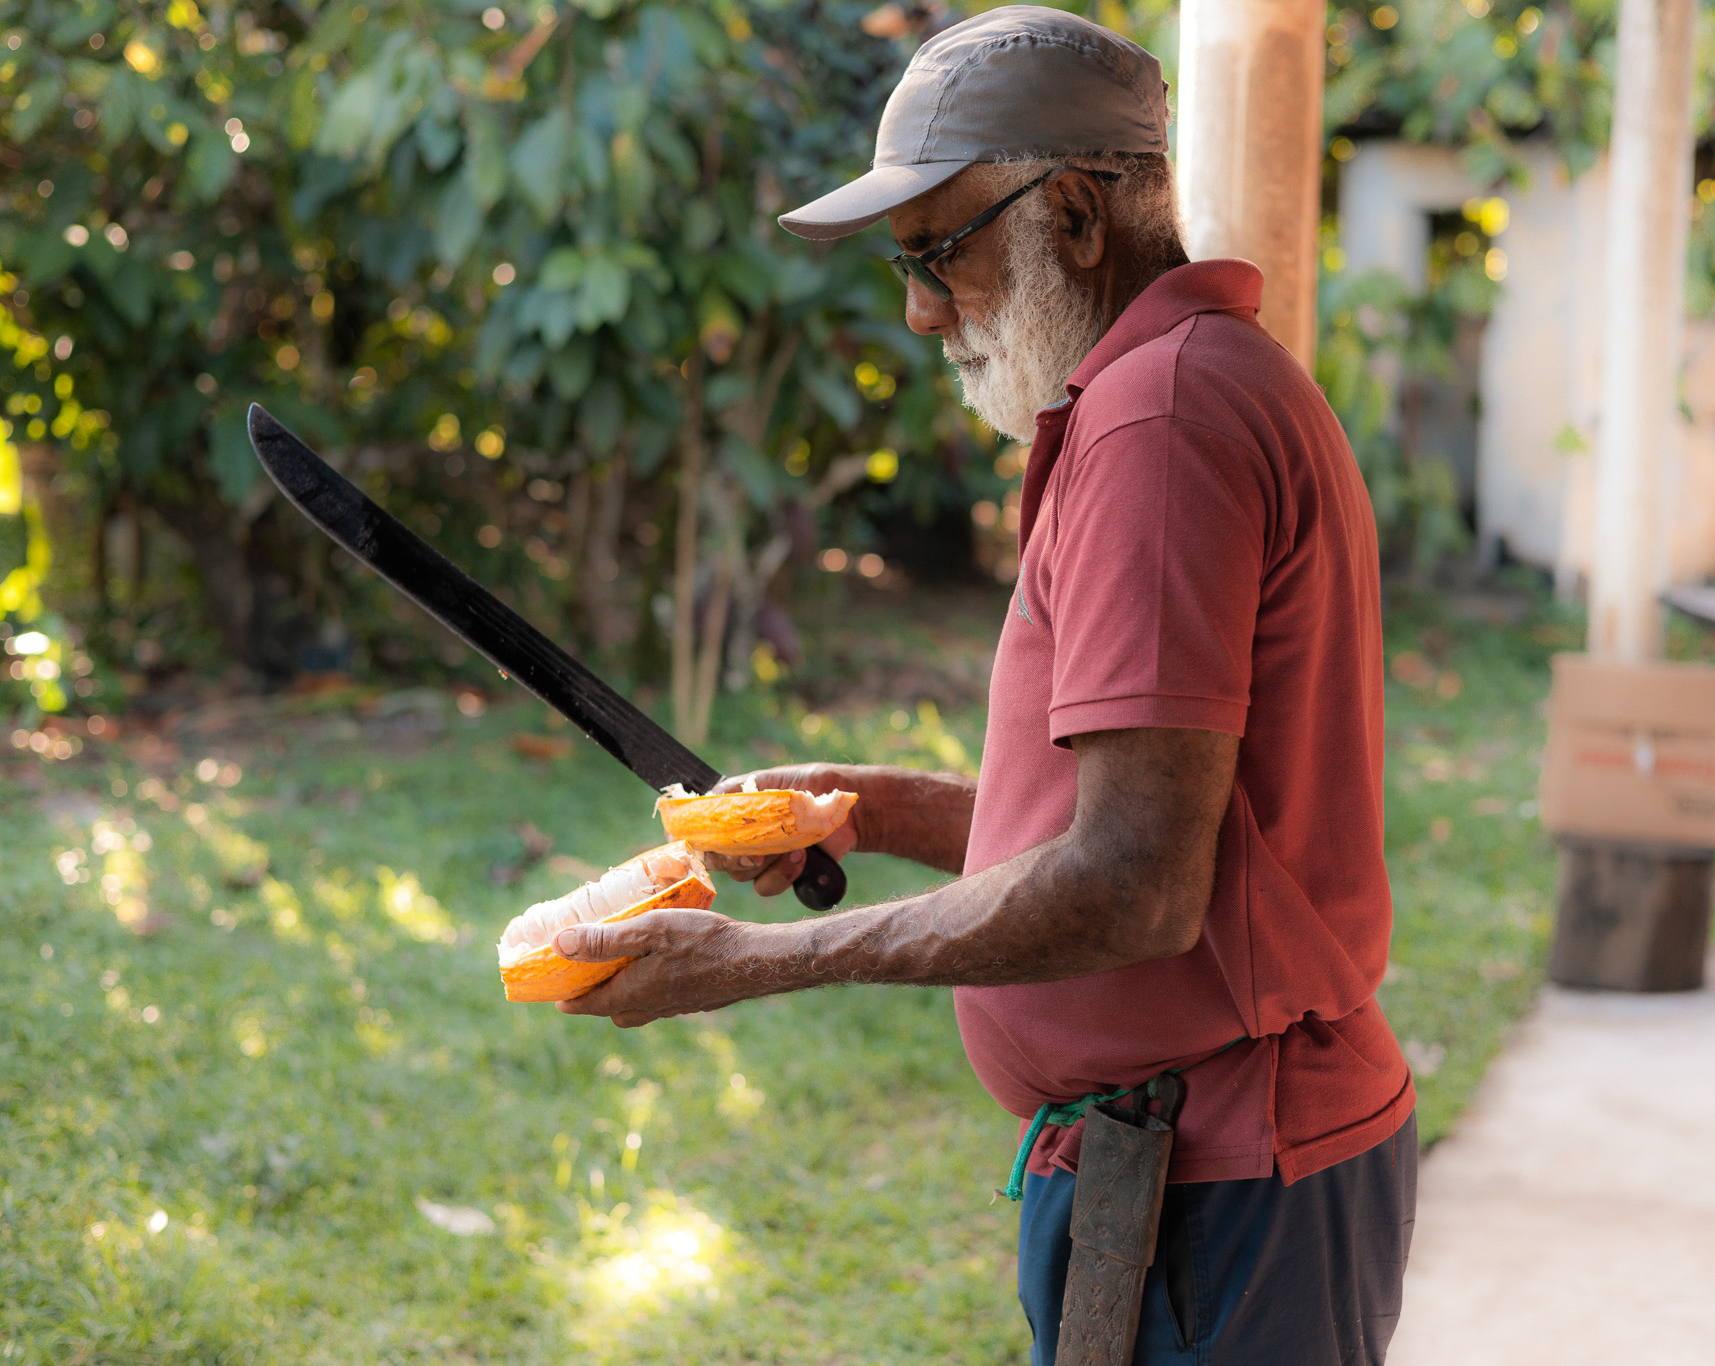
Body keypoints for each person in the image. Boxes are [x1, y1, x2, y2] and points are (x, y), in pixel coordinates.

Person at [551, 8, 1416, 1362]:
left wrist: (760, 964)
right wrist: (871, 808)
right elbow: (1162, 827)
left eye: (935, 254)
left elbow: (1135, 880)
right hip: (1194, 1163)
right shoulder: (1178, 388)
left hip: (1230, 1174)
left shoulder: (1163, 421)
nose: (917, 308)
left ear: (1074, 214)